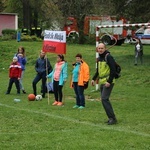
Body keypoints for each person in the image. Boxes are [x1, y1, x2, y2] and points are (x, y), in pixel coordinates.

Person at [91, 43, 117, 125]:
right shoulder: (99, 58)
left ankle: (112, 118)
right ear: (97, 49)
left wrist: (109, 81)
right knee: (104, 100)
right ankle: (111, 117)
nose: (100, 50)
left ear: (105, 48)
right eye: (99, 48)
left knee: (104, 98)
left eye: (102, 48)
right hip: (102, 81)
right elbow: (98, 71)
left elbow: (113, 70)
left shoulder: (108, 57)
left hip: (108, 81)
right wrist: (93, 79)